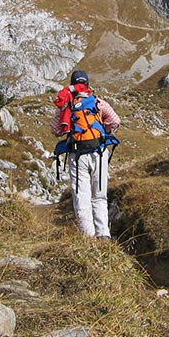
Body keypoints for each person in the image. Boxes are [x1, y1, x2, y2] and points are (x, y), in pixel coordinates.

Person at [50, 70, 121, 239]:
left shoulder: (67, 106)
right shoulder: (98, 102)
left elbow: (55, 129)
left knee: (82, 197)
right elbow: (115, 121)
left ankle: (87, 238)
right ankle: (104, 235)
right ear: (88, 84)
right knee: (99, 196)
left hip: (78, 155)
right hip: (99, 153)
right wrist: (102, 129)